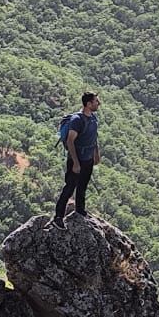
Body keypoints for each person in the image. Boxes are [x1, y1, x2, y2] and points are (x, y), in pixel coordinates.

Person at [52, 92, 101, 229]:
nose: (98, 103)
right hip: (77, 159)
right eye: (96, 101)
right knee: (69, 188)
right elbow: (70, 141)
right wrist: (75, 163)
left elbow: (94, 137)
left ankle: (80, 210)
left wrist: (96, 154)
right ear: (88, 104)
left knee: (82, 187)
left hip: (88, 158)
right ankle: (58, 217)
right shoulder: (77, 120)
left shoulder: (93, 118)